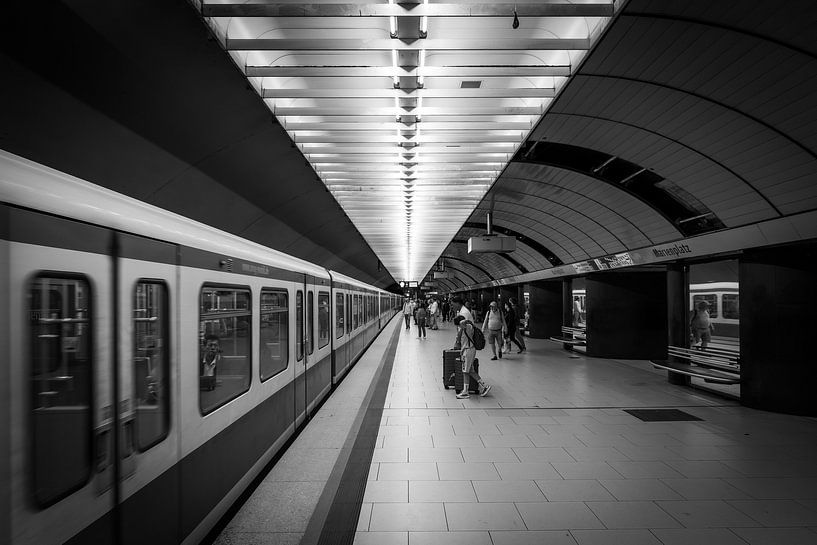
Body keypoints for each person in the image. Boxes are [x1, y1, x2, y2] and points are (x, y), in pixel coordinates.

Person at [454, 315, 491, 399]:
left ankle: (465, 392)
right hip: (469, 350)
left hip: (467, 351)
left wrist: (464, 322)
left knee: (465, 372)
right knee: (470, 371)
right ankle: (484, 386)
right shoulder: (467, 327)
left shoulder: (467, 326)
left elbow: (461, 325)